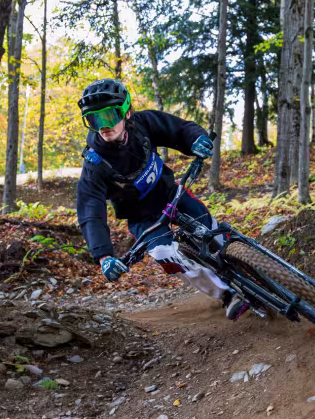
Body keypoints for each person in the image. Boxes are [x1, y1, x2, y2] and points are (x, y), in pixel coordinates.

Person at [75, 78, 246, 320]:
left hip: (170, 195)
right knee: (165, 254)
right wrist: (103, 256)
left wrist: (196, 140)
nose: (102, 126)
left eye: (109, 116)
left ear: (126, 112)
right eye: (93, 119)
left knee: (213, 233)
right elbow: (90, 211)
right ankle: (226, 295)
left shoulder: (143, 123)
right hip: (143, 219)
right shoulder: (94, 165)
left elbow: (178, 129)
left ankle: (247, 262)